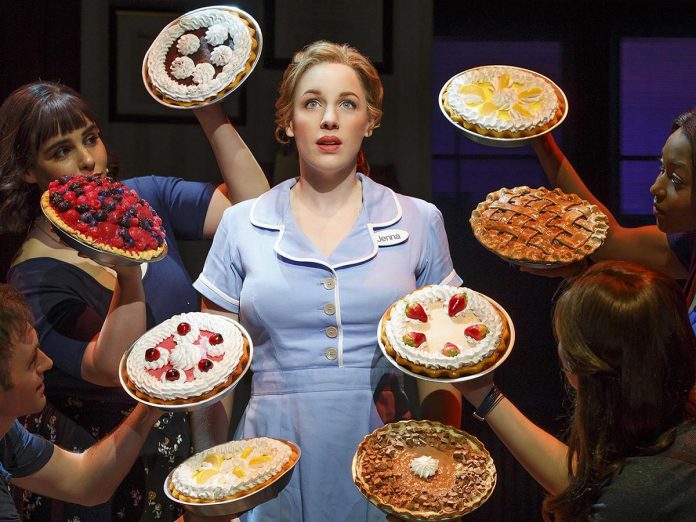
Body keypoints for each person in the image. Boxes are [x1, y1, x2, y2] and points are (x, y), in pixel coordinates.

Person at [193, 40, 462, 521]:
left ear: (370, 120)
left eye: (348, 104)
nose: (330, 119)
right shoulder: (242, 225)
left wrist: (443, 469)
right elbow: (211, 375)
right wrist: (207, 485)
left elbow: (447, 364)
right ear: (288, 121)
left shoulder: (419, 221)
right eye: (312, 103)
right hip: (266, 452)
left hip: (386, 452)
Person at [0, 81, 269, 521]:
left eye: (91, 138)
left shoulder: (143, 200)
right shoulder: (34, 275)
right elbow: (114, 368)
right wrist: (127, 268)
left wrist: (206, 108)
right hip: (100, 472)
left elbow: (258, 212)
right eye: (61, 150)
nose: (89, 160)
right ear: (29, 171)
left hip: (180, 451)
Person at [455, 261, 696, 520]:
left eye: (563, 341)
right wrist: (482, 393)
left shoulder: (628, 503)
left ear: (580, 365)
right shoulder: (674, 423)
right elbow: (584, 481)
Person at [0, 284, 170, 521]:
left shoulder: (7, 435)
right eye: (31, 362)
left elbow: (86, 481)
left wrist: (151, 404)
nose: (47, 363)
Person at [530, 111, 696, 327]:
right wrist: (542, 141)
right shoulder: (691, 243)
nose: (655, 187)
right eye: (662, 168)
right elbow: (608, 242)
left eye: (675, 179)